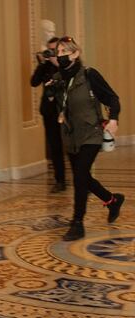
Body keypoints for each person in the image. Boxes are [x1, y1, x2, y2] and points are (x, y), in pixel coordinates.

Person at [52, 36, 124, 241]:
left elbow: (112, 98)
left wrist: (113, 119)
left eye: (66, 51)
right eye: (59, 52)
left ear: (76, 53)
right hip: (70, 135)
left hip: (91, 133)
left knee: (80, 175)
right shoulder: (58, 79)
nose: (61, 56)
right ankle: (112, 200)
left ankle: (77, 222)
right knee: (83, 176)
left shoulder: (89, 75)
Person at [31, 37, 65, 192]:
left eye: (55, 50)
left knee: (73, 147)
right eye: (49, 50)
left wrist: (58, 64)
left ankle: (83, 179)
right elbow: (34, 82)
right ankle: (60, 180)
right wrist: (43, 63)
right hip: (50, 112)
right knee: (55, 147)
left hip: (66, 111)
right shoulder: (45, 66)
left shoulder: (67, 64)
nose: (52, 53)